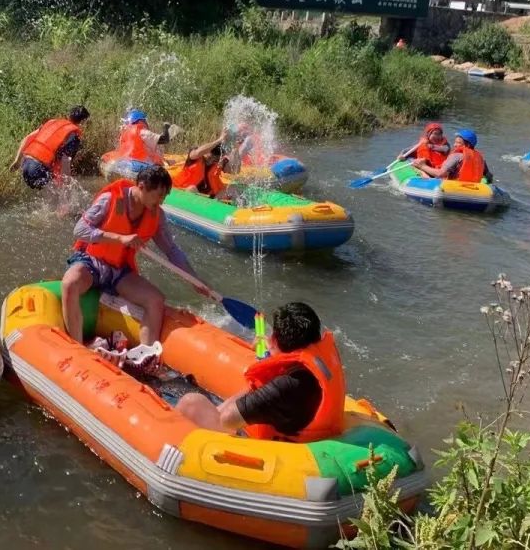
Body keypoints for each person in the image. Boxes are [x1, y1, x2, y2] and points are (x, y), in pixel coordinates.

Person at [62, 165, 213, 348]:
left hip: (119, 271)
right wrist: (120, 238)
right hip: (91, 262)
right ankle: (77, 348)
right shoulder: (109, 199)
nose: (161, 202)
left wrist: (194, 280)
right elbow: (79, 230)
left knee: (155, 300)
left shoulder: (157, 215)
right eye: (158, 195)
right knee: (70, 283)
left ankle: (146, 357)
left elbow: (172, 251)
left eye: (164, 197)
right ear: (141, 186)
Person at [175, 302, 345, 441]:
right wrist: (270, 361)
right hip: (314, 432)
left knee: (192, 403)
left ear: (275, 340)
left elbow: (227, 420)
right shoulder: (318, 361)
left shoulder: (285, 386)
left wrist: (266, 373)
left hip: (283, 449)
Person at [10, 106, 91, 189]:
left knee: (43, 189)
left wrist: (17, 160)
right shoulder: (73, 135)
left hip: (25, 164)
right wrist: (65, 186)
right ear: (83, 122)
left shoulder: (52, 122)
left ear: (69, 115)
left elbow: (27, 138)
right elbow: (65, 160)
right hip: (38, 169)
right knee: (55, 192)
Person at [414, 129, 493, 183]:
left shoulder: (457, 156)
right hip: (474, 190)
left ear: (467, 145)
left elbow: (440, 174)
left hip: (454, 189)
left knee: (420, 169)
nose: (455, 145)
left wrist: (422, 166)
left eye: (458, 142)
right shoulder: (481, 158)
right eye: (455, 142)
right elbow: (489, 176)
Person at [172, 132, 228, 198]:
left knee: (233, 188)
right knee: (192, 189)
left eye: (215, 160)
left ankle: (215, 205)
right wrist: (219, 140)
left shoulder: (219, 162)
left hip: (211, 197)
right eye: (210, 157)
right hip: (185, 191)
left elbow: (236, 169)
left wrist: (236, 147)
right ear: (206, 152)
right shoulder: (194, 157)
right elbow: (198, 152)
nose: (211, 161)